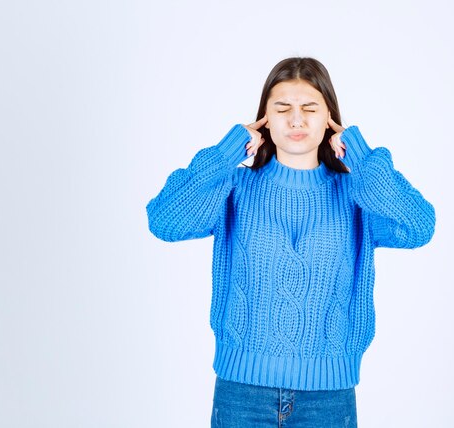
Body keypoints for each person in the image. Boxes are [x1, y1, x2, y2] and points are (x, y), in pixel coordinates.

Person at [146, 57, 435, 427]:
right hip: (242, 394)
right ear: (264, 120)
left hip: (328, 399)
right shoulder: (233, 187)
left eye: (309, 109)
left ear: (329, 117)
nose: (296, 120)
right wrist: (225, 153)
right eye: (282, 109)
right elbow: (165, 220)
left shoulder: (357, 194)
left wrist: (361, 157)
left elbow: (419, 226)